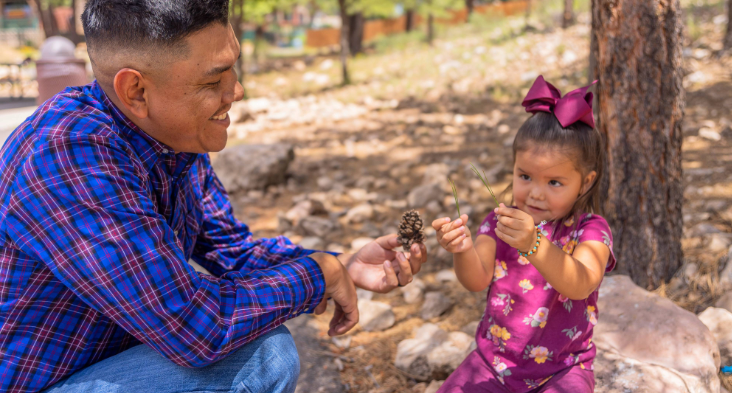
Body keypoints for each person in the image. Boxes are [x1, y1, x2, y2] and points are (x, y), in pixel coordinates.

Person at [0, 1, 426, 392]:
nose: (235, 92)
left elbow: (232, 251)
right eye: (213, 80)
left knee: (262, 345)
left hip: (104, 363)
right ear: (136, 91)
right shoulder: (68, 156)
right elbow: (195, 328)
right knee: (261, 358)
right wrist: (316, 275)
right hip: (40, 383)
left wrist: (340, 268)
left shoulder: (172, 137)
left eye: (232, 68)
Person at [432, 76, 615, 393]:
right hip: (494, 362)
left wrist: (534, 245)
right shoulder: (499, 221)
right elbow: (476, 280)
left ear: (585, 183)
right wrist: (462, 249)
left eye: (554, 182)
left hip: (564, 369)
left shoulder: (590, 229)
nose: (536, 194)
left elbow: (581, 283)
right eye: (525, 176)